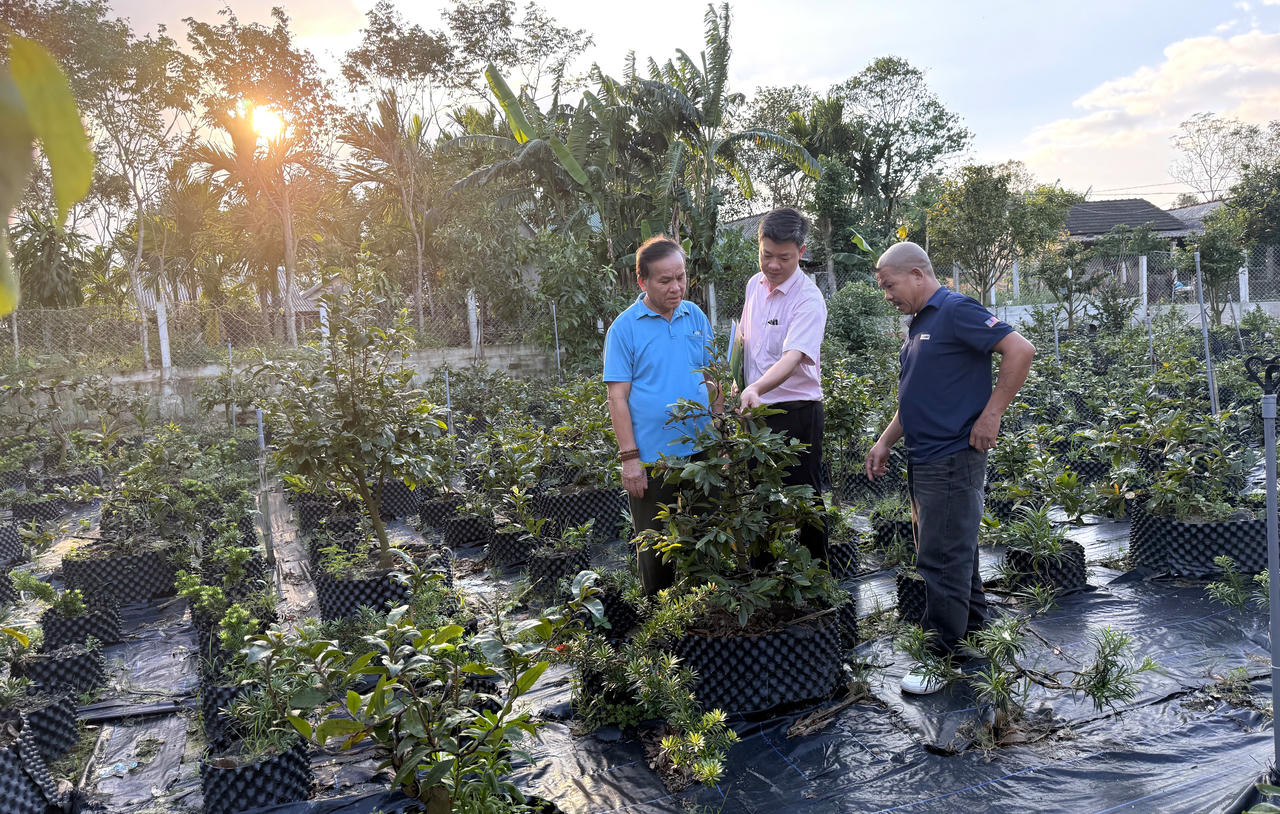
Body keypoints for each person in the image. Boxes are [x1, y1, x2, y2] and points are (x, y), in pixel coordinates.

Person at [864, 241, 1035, 695]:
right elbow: (917, 396)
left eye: (889, 285)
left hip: (952, 457)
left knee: (941, 558)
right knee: (955, 551)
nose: (887, 295)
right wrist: (885, 441)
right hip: (924, 457)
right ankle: (974, 635)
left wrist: (992, 414)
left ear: (917, 274)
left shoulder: (956, 310)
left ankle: (942, 657)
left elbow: (1020, 350)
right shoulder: (921, 323)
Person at [603, 235, 719, 595]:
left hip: (702, 451)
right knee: (654, 546)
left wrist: (721, 437)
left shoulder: (695, 316)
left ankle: (706, 609)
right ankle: (658, 614)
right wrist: (629, 459)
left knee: (708, 536)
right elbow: (617, 397)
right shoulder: (625, 328)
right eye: (665, 280)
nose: (676, 287)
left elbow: (713, 376)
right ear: (643, 282)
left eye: (681, 277)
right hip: (655, 459)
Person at [739, 207, 829, 564]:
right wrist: (740, 385)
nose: (773, 265)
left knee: (805, 498)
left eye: (784, 258)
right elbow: (745, 343)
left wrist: (756, 388)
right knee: (759, 495)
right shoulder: (754, 285)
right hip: (756, 410)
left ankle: (816, 574)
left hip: (797, 412)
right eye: (766, 255)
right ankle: (762, 573)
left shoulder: (808, 299)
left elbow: (793, 358)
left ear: (801, 252)